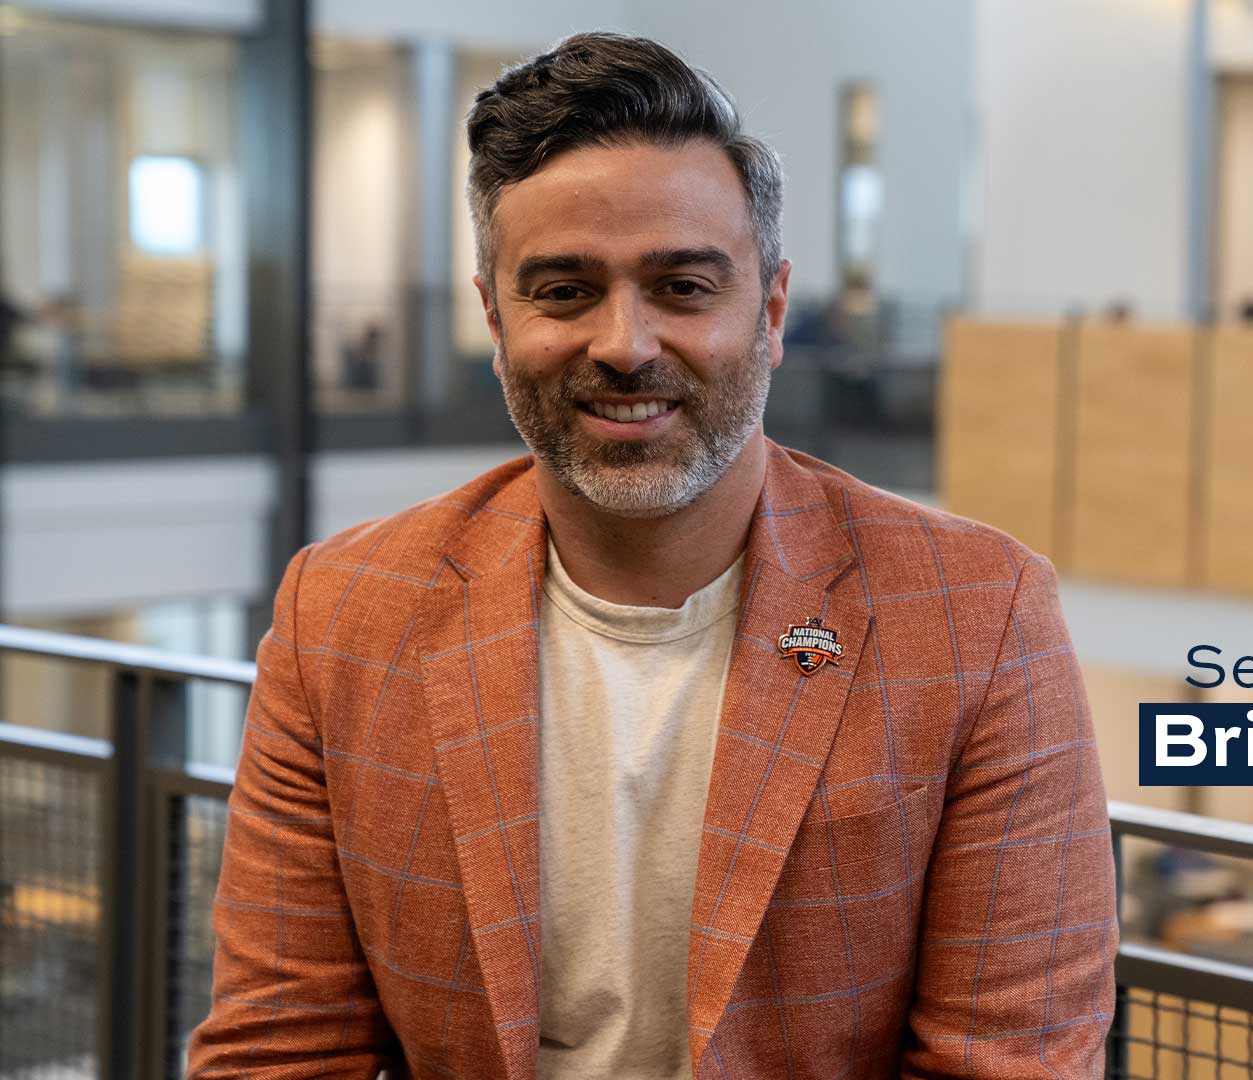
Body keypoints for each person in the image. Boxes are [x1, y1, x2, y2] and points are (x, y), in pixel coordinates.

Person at [189, 33, 1115, 1079]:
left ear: (769, 311)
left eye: (681, 288)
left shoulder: (978, 616)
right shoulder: (343, 613)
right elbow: (279, 1047)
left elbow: (1009, 1060)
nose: (624, 343)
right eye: (564, 290)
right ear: (496, 320)